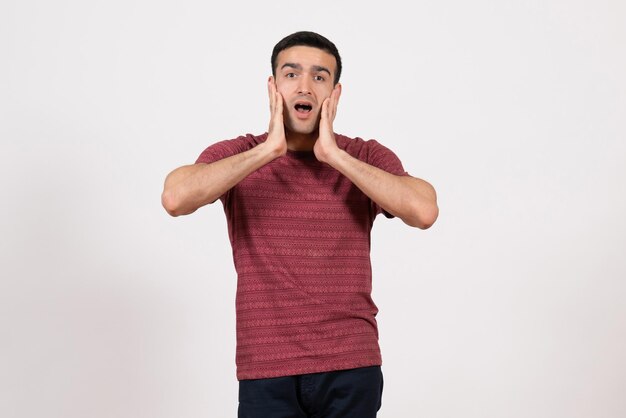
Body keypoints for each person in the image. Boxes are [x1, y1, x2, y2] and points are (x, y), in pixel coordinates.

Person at [161, 31, 438, 418]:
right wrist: (268, 151)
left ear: (335, 94)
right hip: (266, 369)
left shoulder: (363, 156)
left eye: (319, 77)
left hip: (351, 364)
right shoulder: (240, 154)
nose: (305, 86)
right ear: (272, 86)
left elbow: (423, 210)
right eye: (291, 75)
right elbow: (175, 198)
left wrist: (335, 157)